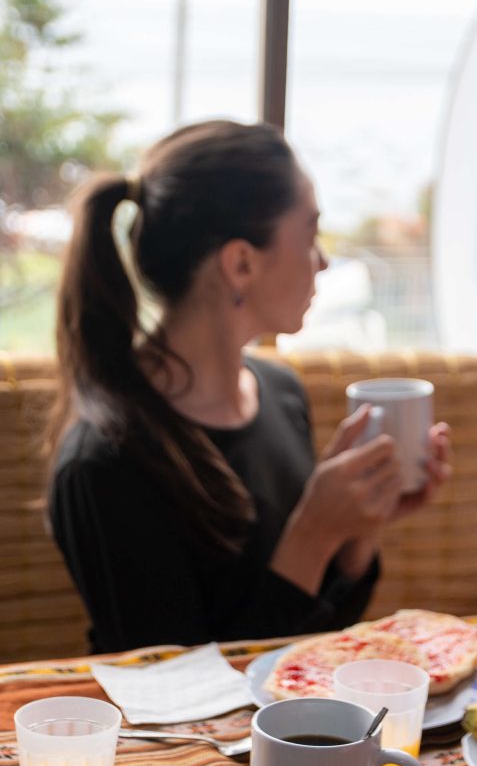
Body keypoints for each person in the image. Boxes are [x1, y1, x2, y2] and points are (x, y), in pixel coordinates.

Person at [46, 119, 450, 653]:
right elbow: (177, 689)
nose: (323, 261)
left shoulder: (281, 392)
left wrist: (357, 529)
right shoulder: (104, 462)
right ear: (241, 263)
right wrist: (313, 533)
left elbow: (313, 638)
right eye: (310, 234)